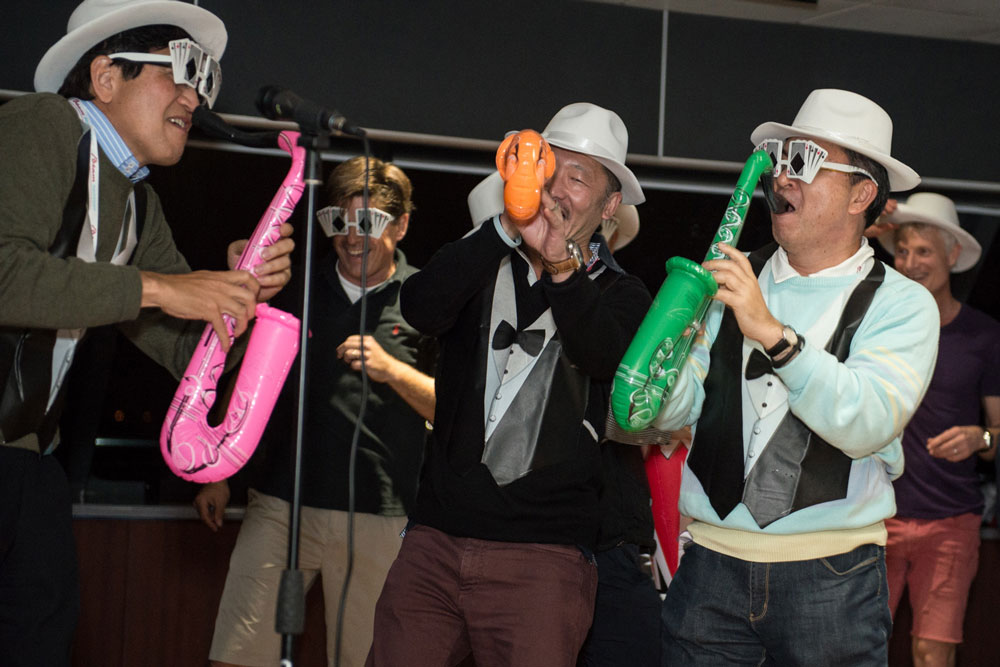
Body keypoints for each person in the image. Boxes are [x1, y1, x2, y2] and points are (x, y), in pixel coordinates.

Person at [0, 1, 295, 665]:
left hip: (32, 466)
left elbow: (188, 353)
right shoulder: (43, 123)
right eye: (181, 73)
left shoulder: (139, 202)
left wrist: (241, 297)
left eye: (204, 82)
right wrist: (162, 287)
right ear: (106, 77)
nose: (195, 98)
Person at [651, 88, 940, 665]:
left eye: (804, 162)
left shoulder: (903, 304)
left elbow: (866, 421)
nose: (781, 177)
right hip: (708, 567)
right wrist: (660, 359)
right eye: (780, 159)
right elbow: (671, 414)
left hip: (832, 579)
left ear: (861, 194)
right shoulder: (725, 277)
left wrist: (773, 335)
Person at [366, 102, 652, 667]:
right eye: (550, 169)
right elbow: (420, 306)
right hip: (435, 541)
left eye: (578, 178)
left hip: (544, 556)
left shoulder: (623, 295)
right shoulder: (482, 261)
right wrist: (504, 227)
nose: (558, 190)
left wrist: (562, 265)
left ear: (609, 205)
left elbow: (602, 357)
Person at [195, 156, 436, 667]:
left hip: (379, 517)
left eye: (367, 221)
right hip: (283, 507)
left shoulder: (427, 301)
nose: (351, 237)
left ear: (401, 225)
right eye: (339, 221)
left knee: (365, 659)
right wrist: (219, 472)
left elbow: (454, 407)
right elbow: (248, 384)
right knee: (240, 656)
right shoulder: (297, 289)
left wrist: (393, 371)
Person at [468, 173, 660, 667]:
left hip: (605, 534)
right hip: (499, 535)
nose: (551, 228)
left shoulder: (623, 298)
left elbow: (637, 417)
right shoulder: (483, 303)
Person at [871, 192, 1000, 667]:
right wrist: (868, 226)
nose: (910, 263)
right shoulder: (878, 328)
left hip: (951, 523)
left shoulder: (983, 336)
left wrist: (980, 437)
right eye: (903, 250)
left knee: (932, 654)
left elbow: (996, 433)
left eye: (924, 251)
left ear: (953, 255)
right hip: (875, 515)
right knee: (858, 649)